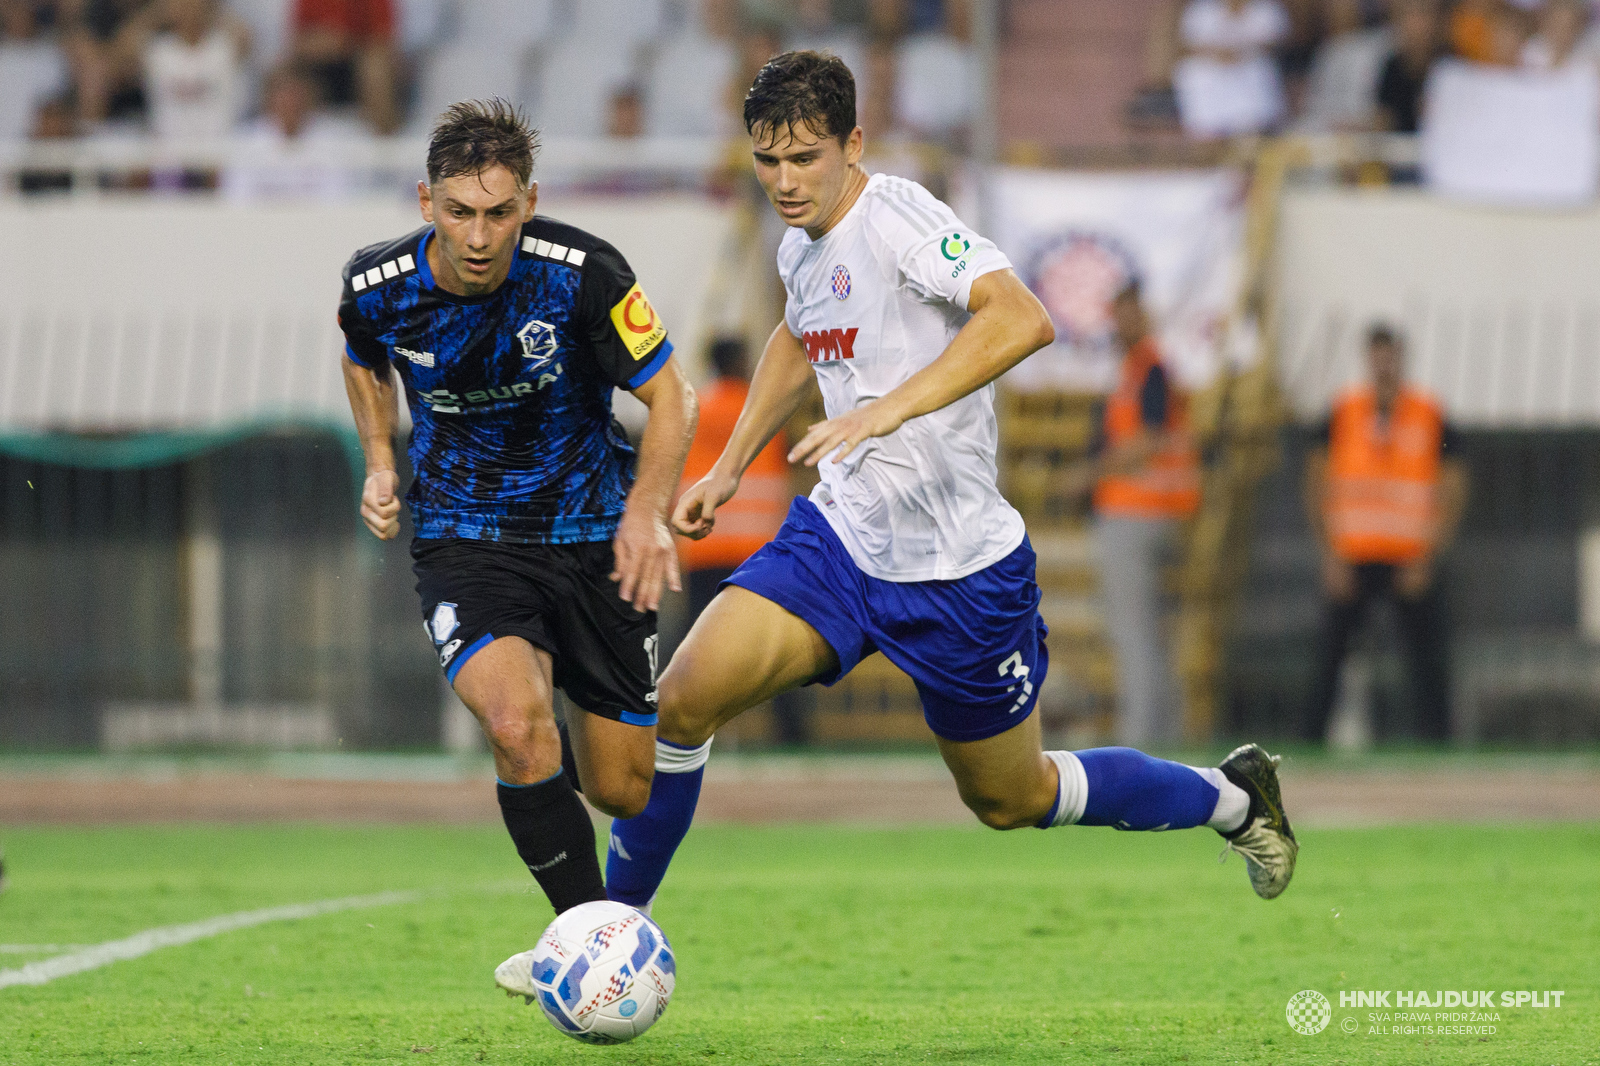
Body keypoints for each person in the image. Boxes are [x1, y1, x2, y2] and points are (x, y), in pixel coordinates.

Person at [584, 51, 1297, 937]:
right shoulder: (800, 241)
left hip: (962, 570)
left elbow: (1022, 317)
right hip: (842, 543)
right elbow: (799, 334)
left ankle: (1233, 800)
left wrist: (886, 409)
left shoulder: (899, 217)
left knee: (1012, 797)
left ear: (854, 143)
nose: (784, 180)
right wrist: (730, 465)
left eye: (804, 158)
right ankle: (611, 927)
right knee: (683, 699)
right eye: (768, 160)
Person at [337, 101, 697, 962]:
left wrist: (645, 514)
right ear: (426, 202)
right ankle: (589, 945)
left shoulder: (585, 273)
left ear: (528, 203)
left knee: (622, 788)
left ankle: (597, 779)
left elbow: (671, 396)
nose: (479, 234)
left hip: (595, 536)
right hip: (467, 536)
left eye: (499, 212)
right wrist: (381, 461)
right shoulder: (375, 287)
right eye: (460, 211)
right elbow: (361, 358)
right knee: (514, 726)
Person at [1301, 324, 1468, 744]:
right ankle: (1309, 741)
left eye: (1390, 355)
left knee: (1427, 659)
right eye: (1376, 355)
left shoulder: (1428, 413)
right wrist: (1329, 553)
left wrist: (1429, 555)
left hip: (1409, 555)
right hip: (1353, 554)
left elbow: (1454, 487)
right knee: (1329, 656)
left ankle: (1437, 741)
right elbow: (1316, 482)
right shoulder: (1344, 411)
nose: (1383, 364)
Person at [1067, 283, 1201, 746]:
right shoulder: (1140, 370)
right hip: (1156, 514)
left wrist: (1090, 474)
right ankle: (1165, 733)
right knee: (1153, 635)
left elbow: (1149, 440)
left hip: (1136, 514)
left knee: (1134, 634)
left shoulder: (1150, 370)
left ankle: (1140, 738)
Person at [674, 336, 808, 743]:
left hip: (704, 545)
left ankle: (666, 722)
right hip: (757, 547)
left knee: (691, 644)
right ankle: (792, 734)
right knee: (774, 646)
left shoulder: (693, 407)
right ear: (740, 361)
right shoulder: (762, 408)